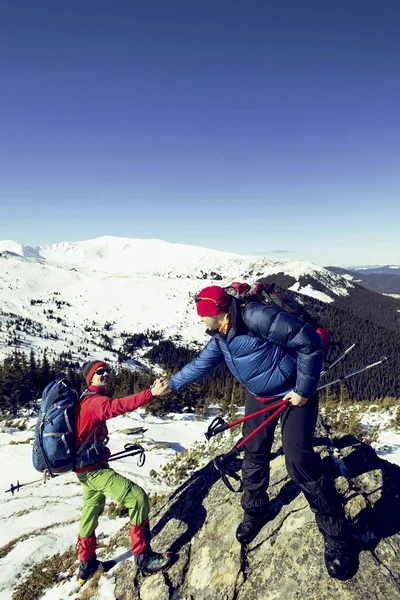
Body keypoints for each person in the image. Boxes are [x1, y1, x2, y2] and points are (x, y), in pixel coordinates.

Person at [168, 285, 352, 580]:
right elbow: (200, 365)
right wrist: (171, 385)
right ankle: (255, 511)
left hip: (293, 391)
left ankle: (337, 536)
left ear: (216, 312)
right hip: (260, 395)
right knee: (253, 449)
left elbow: (308, 343)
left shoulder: (256, 317)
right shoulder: (221, 336)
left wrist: (303, 391)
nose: (200, 321)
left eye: (202, 316)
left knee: (298, 459)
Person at [74, 360, 171, 585]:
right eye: (99, 372)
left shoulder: (86, 399)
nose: (105, 374)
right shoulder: (94, 402)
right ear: (90, 378)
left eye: (107, 370)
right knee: (137, 498)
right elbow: (119, 406)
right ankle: (143, 556)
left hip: (88, 467)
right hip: (93, 471)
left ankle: (86, 564)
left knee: (91, 512)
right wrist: (152, 393)